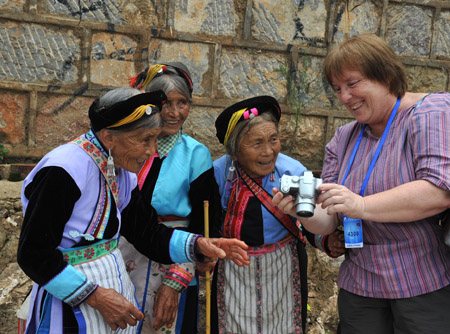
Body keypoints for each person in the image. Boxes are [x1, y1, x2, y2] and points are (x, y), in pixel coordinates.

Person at [17, 86, 250, 334]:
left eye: (155, 139)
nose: (152, 151)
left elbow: (145, 231)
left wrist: (197, 245)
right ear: (108, 138)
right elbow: (33, 254)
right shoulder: (63, 171)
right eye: (144, 140)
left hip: (111, 294)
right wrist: (95, 296)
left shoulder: (121, 172)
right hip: (69, 303)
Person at [273, 33, 450, 334]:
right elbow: (329, 221)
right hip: (361, 287)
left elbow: (438, 191)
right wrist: (299, 211)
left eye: (352, 84)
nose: (344, 97)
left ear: (386, 75)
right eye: (338, 88)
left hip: (422, 283)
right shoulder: (344, 138)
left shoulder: (430, 112)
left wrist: (362, 205)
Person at [212, 96, 337, 334]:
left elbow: (308, 220)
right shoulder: (219, 174)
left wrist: (326, 241)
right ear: (235, 152)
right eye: (257, 143)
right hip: (233, 268)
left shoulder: (293, 171)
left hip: (281, 267)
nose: (269, 151)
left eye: (273, 140)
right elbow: (208, 222)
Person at [119, 62, 221, 334]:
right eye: (166, 104)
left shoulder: (195, 155)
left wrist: (175, 282)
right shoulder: (126, 149)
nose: (175, 113)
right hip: (122, 259)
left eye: (183, 103)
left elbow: (204, 226)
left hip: (172, 262)